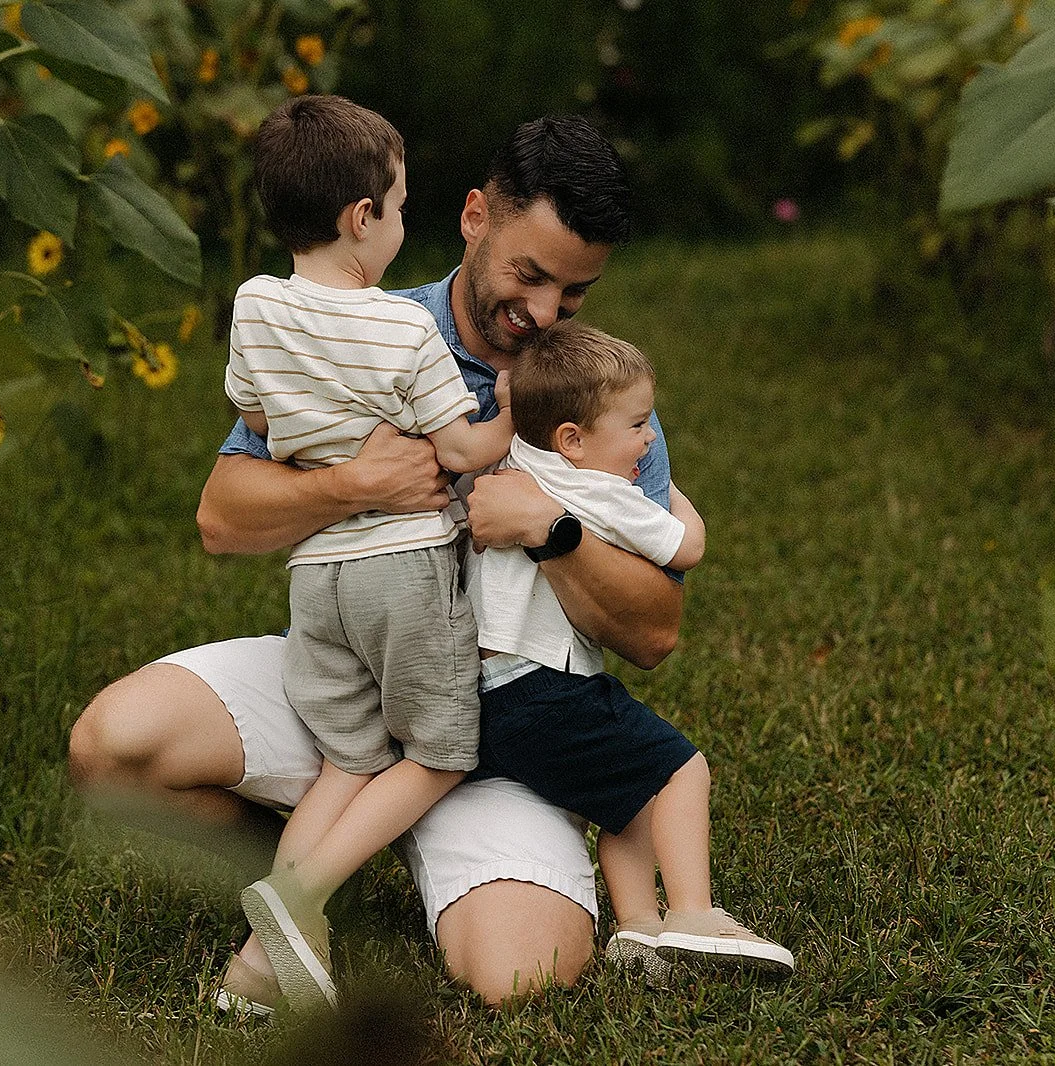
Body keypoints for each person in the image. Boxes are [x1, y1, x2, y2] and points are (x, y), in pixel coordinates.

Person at [69, 114, 691, 1009]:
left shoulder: (590, 399)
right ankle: (318, 875)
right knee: (111, 747)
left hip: (502, 738)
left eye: (575, 292)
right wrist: (355, 483)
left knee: (523, 976)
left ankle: (341, 861)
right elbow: (220, 517)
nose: (546, 313)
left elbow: (655, 631)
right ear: (475, 216)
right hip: (352, 692)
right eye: (531, 274)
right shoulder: (355, 330)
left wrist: (553, 529)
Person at [223, 95, 515, 1012]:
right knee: (440, 752)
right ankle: (294, 896)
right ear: (363, 219)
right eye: (398, 206)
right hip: (402, 570)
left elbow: (261, 420)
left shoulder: (256, 305)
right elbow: (462, 451)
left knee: (346, 761)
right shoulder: (402, 327)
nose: (401, 223)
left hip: (316, 578)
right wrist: (507, 409)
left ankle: (259, 970)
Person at [467, 320, 793, 982]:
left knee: (625, 796)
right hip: (548, 689)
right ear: (574, 440)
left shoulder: (517, 464)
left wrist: (510, 400)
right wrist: (666, 493)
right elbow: (687, 546)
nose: (650, 439)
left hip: (488, 696)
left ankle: (640, 928)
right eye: (640, 425)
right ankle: (695, 913)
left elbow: (514, 411)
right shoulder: (604, 491)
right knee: (681, 771)